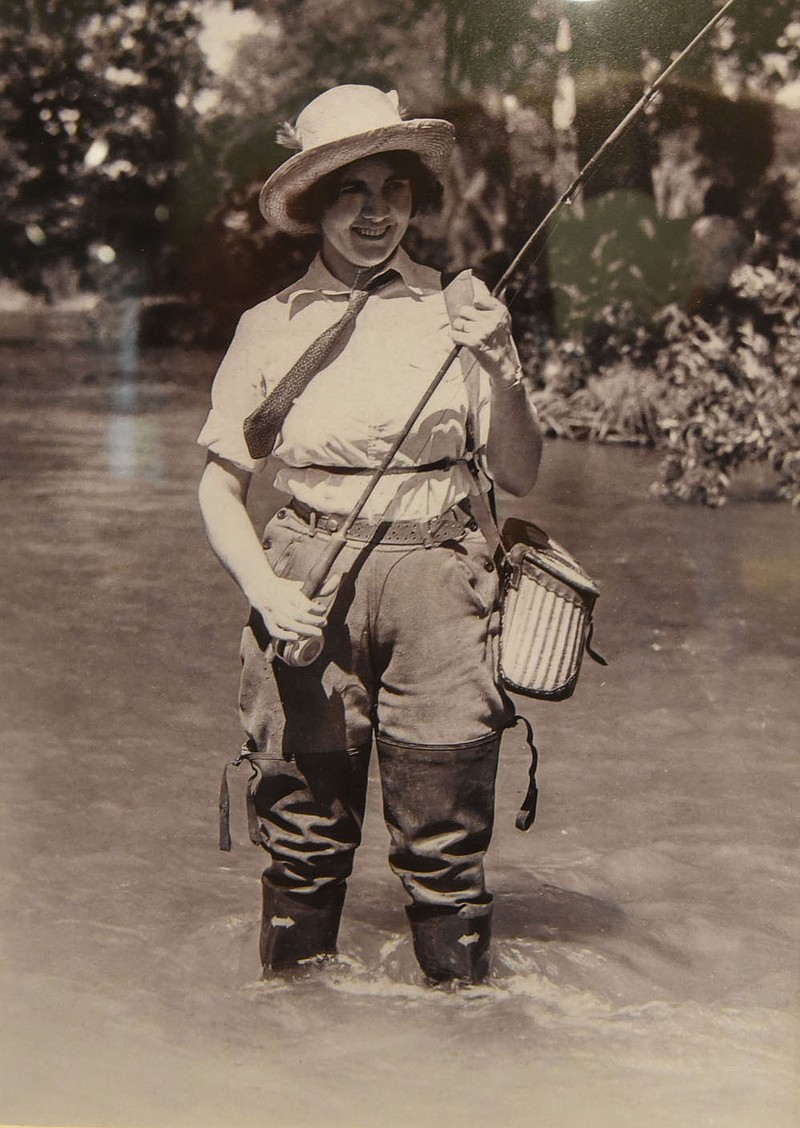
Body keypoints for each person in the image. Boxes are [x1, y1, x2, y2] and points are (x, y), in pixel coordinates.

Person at [197, 85, 543, 985]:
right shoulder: (265, 327)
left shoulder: (463, 310)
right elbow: (218, 488)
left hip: (441, 583)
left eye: (393, 188)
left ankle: (463, 1052)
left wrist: (504, 370)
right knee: (304, 844)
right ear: (316, 204)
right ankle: (292, 1056)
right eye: (351, 189)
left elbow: (519, 472)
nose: (375, 211)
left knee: (446, 847)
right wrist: (267, 593)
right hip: (305, 578)